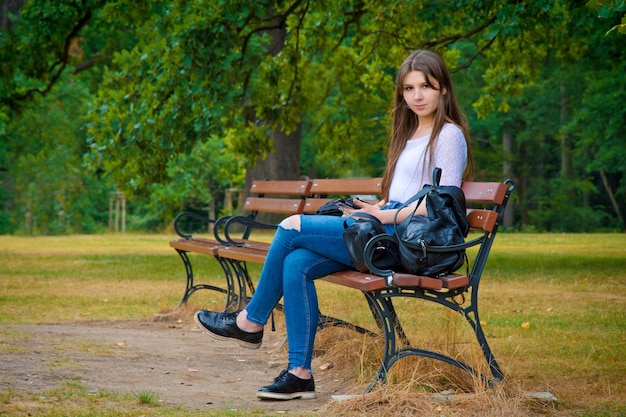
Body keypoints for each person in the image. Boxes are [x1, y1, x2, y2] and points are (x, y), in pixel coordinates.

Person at [194, 49, 474, 401]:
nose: (417, 96)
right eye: (408, 88)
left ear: (444, 90)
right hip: (384, 233)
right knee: (296, 263)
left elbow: (439, 207)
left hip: (407, 246)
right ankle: (299, 374)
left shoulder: (449, 136)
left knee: (291, 227)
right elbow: (408, 195)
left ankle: (250, 322)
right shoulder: (410, 135)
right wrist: (375, 207)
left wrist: (382, 216)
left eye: (426, 87)